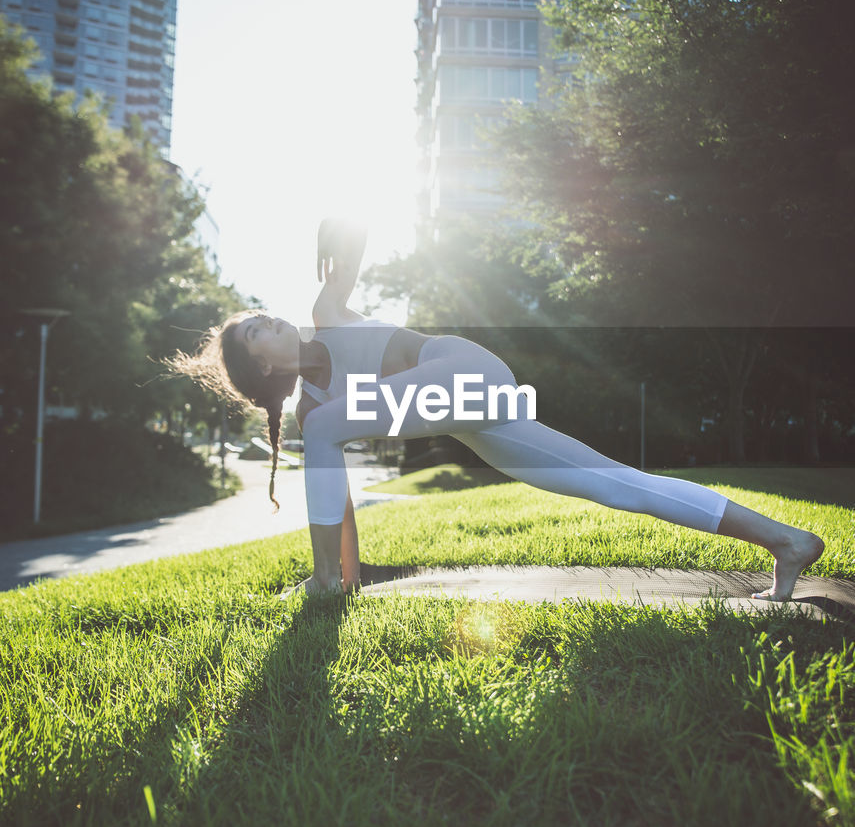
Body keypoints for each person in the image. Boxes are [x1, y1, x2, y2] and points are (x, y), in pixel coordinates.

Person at [170, 218, 824, 602]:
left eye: (261, 316)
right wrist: (350, 570)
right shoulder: (316, 411)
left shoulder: (326, 318)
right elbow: (335, 501)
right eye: (258, 331)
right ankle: (785, 541)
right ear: (260, 366)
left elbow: (358, 230)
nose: (271, 321)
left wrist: (332, 232)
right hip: (474, 416)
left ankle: (322, 582)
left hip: (464, 371)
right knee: (619, 487)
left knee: (327, 428)